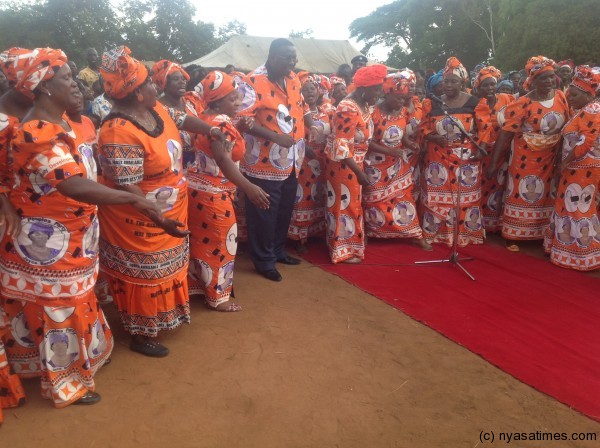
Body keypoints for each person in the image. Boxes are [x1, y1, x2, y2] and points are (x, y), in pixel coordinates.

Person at [0, 48, 170, 407]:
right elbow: (71, 184)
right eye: (65, 78)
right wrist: (135, 199)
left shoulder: (61, 123)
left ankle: (74, 365)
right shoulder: (35, 131)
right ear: (45, 87)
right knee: (58, 307)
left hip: (72, 237)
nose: (75, 83)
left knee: (73, 299)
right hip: (48, 243)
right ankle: (65, 383)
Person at [97, 46, 193, 357]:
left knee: (165, 268)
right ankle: (140, 333)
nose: (156, 85)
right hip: (137, 216)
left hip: (167, 205)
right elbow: (130, 190)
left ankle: (160, 319)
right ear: (138, 94)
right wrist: (162, 220)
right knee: (144, 274)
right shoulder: (117, 131)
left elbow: (184, 120)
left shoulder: (157, 110)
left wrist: (214, 130)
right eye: (150, 82)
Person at [187, 70, 269, 311]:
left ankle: (202, 288)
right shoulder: (221, 124)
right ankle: (218, 298)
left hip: (200, 189)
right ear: (217, 100)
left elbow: (223, 153)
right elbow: (223, 161)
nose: (238, 102)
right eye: (232, 98)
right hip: (213, 193)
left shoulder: (207, 118)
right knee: (222, 243)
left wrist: (239, 129)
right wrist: (249, 187)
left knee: (203, 242)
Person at [237, 38, 317, 281]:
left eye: (294, 58)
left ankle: (278, 250)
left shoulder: (293, 78)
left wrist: (310, 125)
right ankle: (263, 260)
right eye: (286, 57)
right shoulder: (252, 81)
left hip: (292, 159)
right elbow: (241, 119)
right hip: (264, 162)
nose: (292, 62)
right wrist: (274, 137)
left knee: (284, 209)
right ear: (272, 57)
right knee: (264, 212)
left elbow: (301, 106)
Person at [487, 56, 570, 252]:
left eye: (551, 77)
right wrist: (493, 163)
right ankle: (512, 234)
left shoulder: (560, 96)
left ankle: (541, 233)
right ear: (532, 80)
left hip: (551, 155)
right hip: (525, 158)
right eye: (543, 78)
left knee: (546, 194)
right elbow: (506, 133)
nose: (548, 82)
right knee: (521, 192)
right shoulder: (523, 102)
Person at [325, 64, 387, 263]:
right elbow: (341, 145)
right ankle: (342, 251)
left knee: (352, 205)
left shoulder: (363, 105)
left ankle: (351, 245)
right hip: (344, 165)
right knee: (345, 206)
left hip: (355, 162)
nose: (379, 93)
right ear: (365, 88)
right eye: (377, 89)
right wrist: (358, 172)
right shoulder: (347, 107)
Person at [420, 57, 484, 247]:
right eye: (445, 81)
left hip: (467, 158)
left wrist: (481, 148)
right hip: (438, 157)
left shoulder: (475, 103)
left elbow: (485, 129)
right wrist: (432, 136)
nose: (448, 85)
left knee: (465, 198)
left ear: (463, 82)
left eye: (453, 81)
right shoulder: (432, 104)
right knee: (438, 198)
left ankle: (464, 235)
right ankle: (439, 235)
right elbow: (423, 127)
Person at [363, 70, 430, 249]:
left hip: (397, 164)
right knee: (373, 200)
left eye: (404, 98)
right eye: (399, 98)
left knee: (404, 198)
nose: (402, 102)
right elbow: (366, 142)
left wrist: (410, 145)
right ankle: (371, 232)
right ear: (388, 93)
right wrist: (390, 151)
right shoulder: (373, 113)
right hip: (375, 165)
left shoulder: (403, 112)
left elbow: (402, 137)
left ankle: (413, 233)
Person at [544, 65, 599, 270]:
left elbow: (584, 143)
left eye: (574, 94)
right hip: (578, 168)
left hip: (582, 168)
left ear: (587, 93)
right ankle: (568, 252)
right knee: (571, 207)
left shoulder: (592, 110)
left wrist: (564, 163)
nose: (570, 96)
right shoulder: (584, 110)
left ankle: (584, 257)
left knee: (578, 208)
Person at [288, 74, 331, 252]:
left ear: (319, 91)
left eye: (312, 89)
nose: (309, 93)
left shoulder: (327, 112)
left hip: (323, 161)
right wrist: (304, 145)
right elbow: (289, 132)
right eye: (304, 90)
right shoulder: (295, 113)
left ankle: (317, 233)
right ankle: (300, 238)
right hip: (303, 161)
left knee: (320, 196)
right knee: (303, 198)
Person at [473, 66, 515, 232]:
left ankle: (494, 224)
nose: (490, 88)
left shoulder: (507, 99)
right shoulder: (474, 104)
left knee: (499, 186)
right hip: (482, 152)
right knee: (481, 187)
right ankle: (478, 223)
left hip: (502, 153)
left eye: (492, 84)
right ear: (478, 87)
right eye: (485, 85)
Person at [152, 59, 205, 171]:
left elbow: (206, 122)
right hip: (174, 165)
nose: (182, 82)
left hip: (200, 163)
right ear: (164, 83)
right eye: (176, 79)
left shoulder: (192, 102)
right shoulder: (157, 109)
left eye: (183, 78)